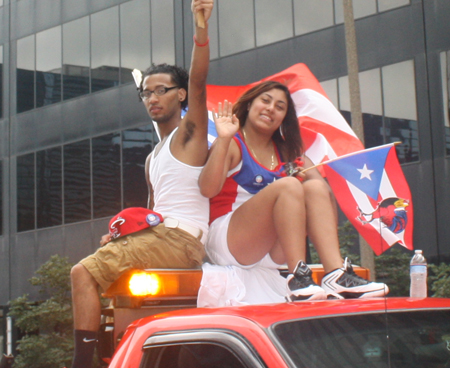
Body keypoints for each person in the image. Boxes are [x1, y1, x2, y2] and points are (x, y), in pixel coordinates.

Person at [69, 1, 214, 367]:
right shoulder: (155, 155)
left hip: (181, 241)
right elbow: (151, 217)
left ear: (179, 95)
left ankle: (81, 364)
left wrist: (200, 29)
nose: (152, 98)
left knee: (82, 273)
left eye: (161, 90)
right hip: (163, 237)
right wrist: (124, 236)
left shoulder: (188, 135)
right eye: (146, 93)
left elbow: (198, 83)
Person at [198, 81, 389, 303]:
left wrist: (306, 175)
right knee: (288, 186)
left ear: (283, 118)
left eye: (280, 107)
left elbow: (322, 197)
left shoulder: (289, 152)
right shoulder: (233, 143)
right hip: (229, 241)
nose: (271, 109)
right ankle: (298, 275)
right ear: (249, 105)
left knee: (314, 186)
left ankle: (335, 274)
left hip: (271, 251)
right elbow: (207, 189)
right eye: (265, 101)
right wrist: (223, 139)